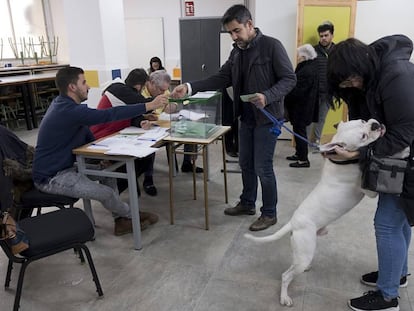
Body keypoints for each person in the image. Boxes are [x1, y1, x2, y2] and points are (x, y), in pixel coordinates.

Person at [171, 4, 296, 231]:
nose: (234, 36)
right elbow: (220, 78)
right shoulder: (237, 52)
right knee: (245, 163)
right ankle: (247, 202)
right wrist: (189, 87)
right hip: (245, 118)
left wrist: (267, 96)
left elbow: (289, 79)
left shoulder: (272, 46)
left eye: (236, 30)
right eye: (230, 32)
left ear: (250, 24)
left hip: (268, 119)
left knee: (263, 167)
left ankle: (269, 213)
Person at [325, 35, 414, 311]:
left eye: (351, 80)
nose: (350, 86)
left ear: (361, 66)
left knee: (386, 223)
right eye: (344, 84)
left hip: (408, 155)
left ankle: (387, 297)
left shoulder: (395, 76)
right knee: (398, 220)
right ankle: (396, 274)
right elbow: (364, 124)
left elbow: (405, 132)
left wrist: (359, 154)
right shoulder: (365, 81)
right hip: (400, 157)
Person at [32, 66, 168, 236]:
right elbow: (110, 114)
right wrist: (148, 105)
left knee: (107, 173)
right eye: (84, 82)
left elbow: (87, 134)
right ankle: (130, 214)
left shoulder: (66, 106)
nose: (88, 87)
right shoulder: (67, 110)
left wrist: (97, 158)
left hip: (68, 166)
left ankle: (121, 221)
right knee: (106, 193)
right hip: (51, 177)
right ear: (72, 87)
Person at [90, 68, 160, 199]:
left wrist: (141, 121)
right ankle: (114, 194)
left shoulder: (124, 93)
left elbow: (130, 113)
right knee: (138, 160)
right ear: (140, 85)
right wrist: (161, 100)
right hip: (102, 138)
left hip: (115, 134)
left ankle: (127, 187)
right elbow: (143, 103)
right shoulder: (119, 89)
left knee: (146, 154)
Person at [285, 44, 319, 168]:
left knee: (300, 132)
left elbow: (298, 90)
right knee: (298, 131)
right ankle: (299, 154)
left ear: (304, 56)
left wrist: (286, 95)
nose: (297, 57)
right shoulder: (307, 68)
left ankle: (303, 159)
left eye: (299, 55)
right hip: (301, 107)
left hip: (302, 107)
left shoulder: (307, 71)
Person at [308, 21, 335, 145]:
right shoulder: (312, 51)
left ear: (332, 35)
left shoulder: (337, 51)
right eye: (321, 36)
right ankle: (304, 142)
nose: (323, 38)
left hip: (329, 93)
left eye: (326, 35)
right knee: (308, 118)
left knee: (321, 119)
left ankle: (317, 141)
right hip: (313, 92)